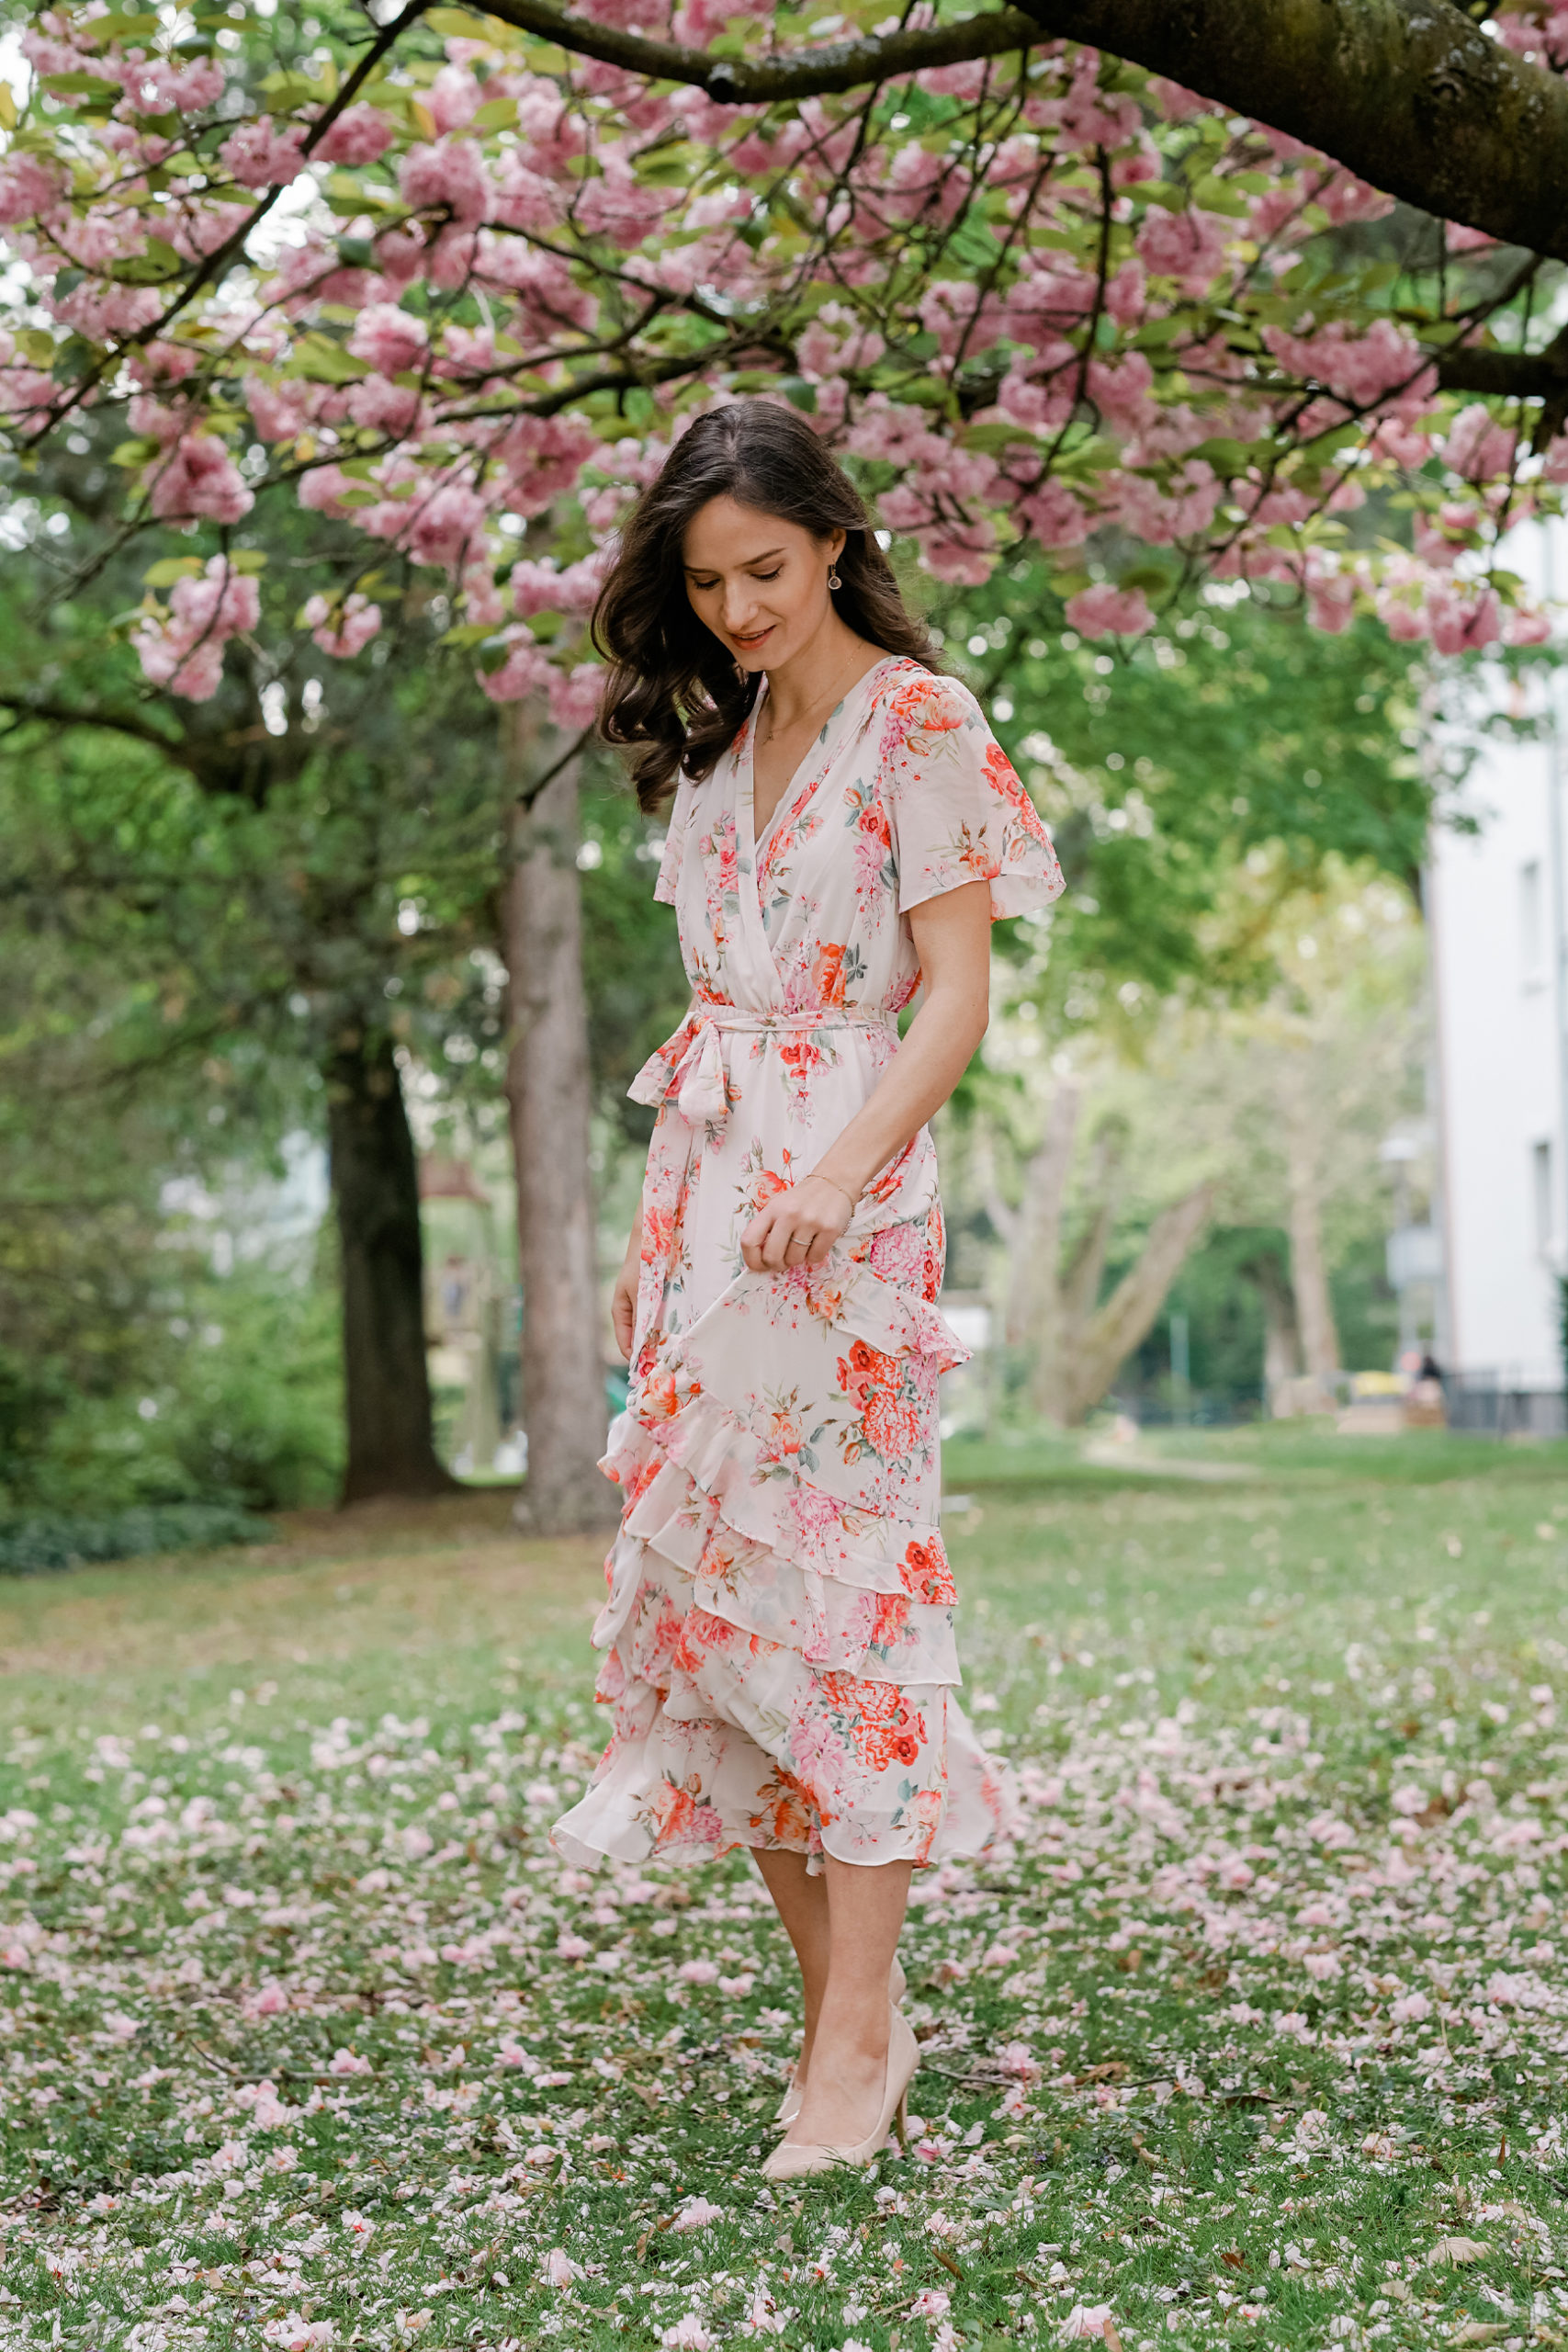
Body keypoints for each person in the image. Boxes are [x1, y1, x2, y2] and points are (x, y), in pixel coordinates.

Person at [549, 400, 1065, 2177]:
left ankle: (855, 2040)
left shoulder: (924, 726)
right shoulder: (720, 747)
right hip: (701, 1205)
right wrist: (702, 1213)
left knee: (843, 1602)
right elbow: (716, 1024)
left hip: (852, 1207)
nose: (739, 608)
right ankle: (850, 2008)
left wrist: (838, 1171)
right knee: (713, 1609)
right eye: (705, 584)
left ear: (835, 542)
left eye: (764, 569)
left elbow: (953, 999)